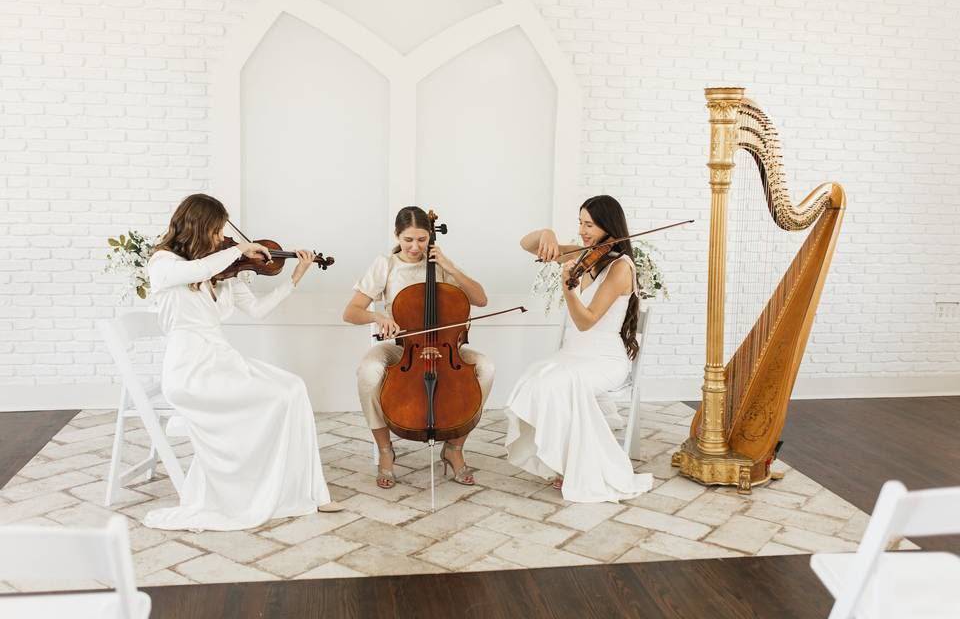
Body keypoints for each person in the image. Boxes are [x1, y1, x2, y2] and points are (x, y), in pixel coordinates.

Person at [143, 193, 338, 531]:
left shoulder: (224, 270)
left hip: (221, 359)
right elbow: (197, 269)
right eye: (217, 231)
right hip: (190, 370)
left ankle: (301, 492)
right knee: (275, 399)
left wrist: (296, 277)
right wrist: (237, 251)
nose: (222, 238)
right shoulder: (163, 263)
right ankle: (249, 489)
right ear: (199, 227)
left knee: (292, 388)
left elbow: (258, 311)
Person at [505, 195, 653, 502]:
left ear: (608, 226)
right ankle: (561, 461)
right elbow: (526, 244)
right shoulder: (585, 254)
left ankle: (575, 467)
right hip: (573, 354)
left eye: (590, 224)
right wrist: (546, 233)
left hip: (604, 359)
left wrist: (567, 288)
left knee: (562, 384)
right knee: (536, 379)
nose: (583, 231)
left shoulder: (620, 268)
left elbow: (586, 322)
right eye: (580, 223)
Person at [342, 206, 495, 488]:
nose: (415, 247)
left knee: (486, 367)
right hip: (402, 348)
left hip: (446, 348)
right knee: (368, 370)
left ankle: (454, 447)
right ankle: (386, 451)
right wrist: (379, 316)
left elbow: (481, 299)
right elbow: (351, 312)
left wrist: (449, 267)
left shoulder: (440, 264)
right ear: (397, 235)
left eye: (422, 240)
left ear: (431, 237)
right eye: (408, 239)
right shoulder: (385, 264)